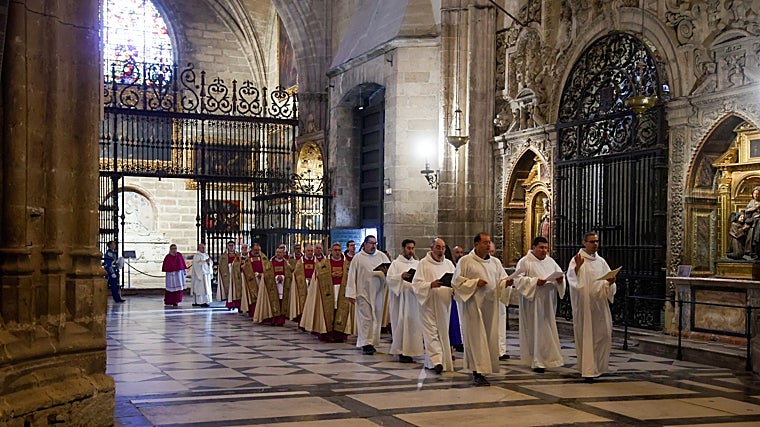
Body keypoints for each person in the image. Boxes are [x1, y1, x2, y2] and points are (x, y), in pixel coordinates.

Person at [453, 233, 511, 386]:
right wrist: (474, 283)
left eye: (489, 242)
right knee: (476, 339)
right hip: (473, 306)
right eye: (485, 242)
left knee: (488, 338)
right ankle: (477, 372)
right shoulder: (466, 261)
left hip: (490, 307)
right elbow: (456, 282)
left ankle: (485, 368)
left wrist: (507, 283)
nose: (488, 245)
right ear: (476, 244)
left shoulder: (495, 263)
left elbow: (501, 280)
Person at [566, 231, 617, 383]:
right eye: (592, 241)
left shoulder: (601, 261)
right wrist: (576, 270)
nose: (595, 244)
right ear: (584, 242)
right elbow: (573, 281)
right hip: (586, 306)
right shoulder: (577, 260)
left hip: (600, 305)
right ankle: (588, 370)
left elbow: (607, 280)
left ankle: (599, 367)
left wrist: (610, 282)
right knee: (587, 336)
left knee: (604, 334)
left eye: (597, 241)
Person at [513, 236, 565, 373]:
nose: (544, 251)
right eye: (541, 247)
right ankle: (536, 361)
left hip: (548, 301)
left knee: (547, 330)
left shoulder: (551, 261)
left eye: (546, 248)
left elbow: (559, 276)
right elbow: (518, 280)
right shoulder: (525, 262)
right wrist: (535, 282)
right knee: (535, 330)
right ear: (534, 247)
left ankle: (548, 359)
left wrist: (560, 280)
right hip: (532, 302)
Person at [412, 238, 455, 374]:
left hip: (444, 305)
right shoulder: (423, 264)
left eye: (442, 248)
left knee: (442, 332)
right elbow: (416, 284)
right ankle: (437, 361)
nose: (440, 250)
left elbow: (456, 281)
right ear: (431, 248)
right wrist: (430, 284)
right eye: (438, 247)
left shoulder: (448, 264)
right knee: (431, 333)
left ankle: (441, 360)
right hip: (428, 304)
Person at [345, 235, 390, 355]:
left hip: (378, 293)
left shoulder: (381, 256)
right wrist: (351, 293)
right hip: (363, 293)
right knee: (366, 319)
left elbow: (390, 272)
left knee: (376, 318)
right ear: (365, 244)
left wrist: (386, 273)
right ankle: (366, 343)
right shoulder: (358, 258)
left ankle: (373, 341)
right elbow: (352, 275)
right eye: (371, 243)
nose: (373, 246)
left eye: (375, 243)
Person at [387, 239, 424, 364]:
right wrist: (400, 277)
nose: (411, 251)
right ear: (403, 248)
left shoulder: (418, 263)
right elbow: (389, 279)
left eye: (412, 248)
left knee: (413, 325)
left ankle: (413, 351)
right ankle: (402, 351)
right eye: (408, 248)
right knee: (401, 325)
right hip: (400, 301)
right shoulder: (396, 264)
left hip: (414, 300)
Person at [313, 243, 352, 342]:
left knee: (340, 310)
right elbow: (318, 274)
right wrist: (330, 275)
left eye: (339, 250)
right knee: (329, 310)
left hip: (342, 290)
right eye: (335, 250)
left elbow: (352, 275)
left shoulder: (346, 263)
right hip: (330, 289)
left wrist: (343, 274)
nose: (337, 252)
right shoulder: (325, 263)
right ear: (331, 251)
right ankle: (328, 334)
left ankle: (339, 335)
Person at [254, 245, 291, 326]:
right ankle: (274, 320)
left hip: (283, 286)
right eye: (277, 252)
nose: (278, 254)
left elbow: (290, 274)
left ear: (283, 253)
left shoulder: (287, 264)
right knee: (273, 303)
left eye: (280, 252)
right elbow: (267, 274)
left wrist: (283, 277)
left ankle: (281, 320)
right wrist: (277, 278)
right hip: (273, 286)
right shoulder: (270, 263)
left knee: (282, 303)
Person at [492, 242, 510, 361]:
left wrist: (507, 283)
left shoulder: (496, 262)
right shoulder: (470, 261)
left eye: (492, 251)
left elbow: (503, 278)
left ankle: (500, 350)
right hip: (484, 301)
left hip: (498, 300)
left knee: (500, 325)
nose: (490, 253)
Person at [297, 244, 321, 328]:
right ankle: (303, 323)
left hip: (314, 286)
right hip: (304, 286)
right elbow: (297, 274)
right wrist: (306, 281)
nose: (310, 252)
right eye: (308, 251)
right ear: (305, 251)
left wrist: (313, 280)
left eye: (311, 251)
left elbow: (320, 273)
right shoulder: (300, 262)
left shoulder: (317, 262)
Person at [445, 244, 463, 354]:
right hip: (440, 297)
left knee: (454, 322)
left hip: (453, 296)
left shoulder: (449, 264)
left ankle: (455, 345)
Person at [218, 240, 242, 311]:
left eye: (232, 245)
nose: (231, 247)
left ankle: (237, 305)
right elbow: (221, 265)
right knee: (229, 290)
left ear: (235, 246)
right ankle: (230, 305)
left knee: (237, 290)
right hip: (227, 274)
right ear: (227, 246)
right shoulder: (223, 256)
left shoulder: (238, 255)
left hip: (236, 275)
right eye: (230, 245)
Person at [191, 243, 213, 307]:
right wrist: (205, 262)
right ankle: (200, 301)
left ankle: (205, 301)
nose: (204, 249)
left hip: (206, 275)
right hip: (200, 276)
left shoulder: (206, 255)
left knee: (206, 289)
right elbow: (196, 265)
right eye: (202, 247)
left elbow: (210, 263)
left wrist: (209, 263)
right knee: (200, 289)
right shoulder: (197, 256)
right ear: (199, 248)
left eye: (204, 247)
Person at [744, 186, 760, 258]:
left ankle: (757, 252)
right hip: (752, 223)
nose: (756, 195)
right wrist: (752, 209)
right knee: (751, 238)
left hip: (758, 223)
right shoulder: (751, 202)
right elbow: (746, 211)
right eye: (754, 193)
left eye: (758, 194)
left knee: (757, 237)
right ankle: (752, 252)